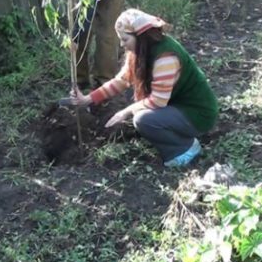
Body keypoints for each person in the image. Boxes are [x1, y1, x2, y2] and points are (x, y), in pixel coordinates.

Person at [68, 9, 218, 167]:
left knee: (143, 119)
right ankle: (175, 133)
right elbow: (121, 81)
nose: (122, 44)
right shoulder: (141, 51)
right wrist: (88, 99)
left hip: (199, 114)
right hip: (177, 105)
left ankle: (185, 148)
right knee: (141, 112)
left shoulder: (165, 57)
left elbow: (158, 101)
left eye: (125, 39)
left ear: (139, 36)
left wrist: (125, 111)